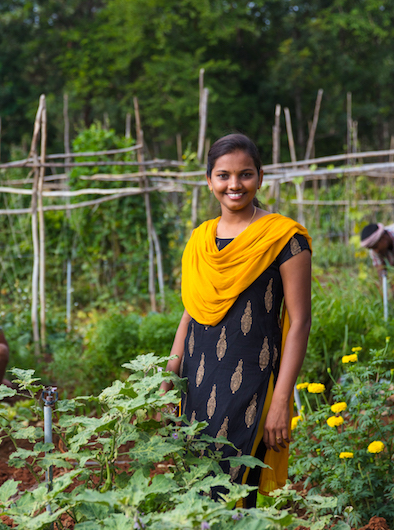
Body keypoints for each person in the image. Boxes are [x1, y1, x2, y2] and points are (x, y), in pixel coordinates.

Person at [160, 133, 312, 507]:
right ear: (209, 180)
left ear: (260, 177)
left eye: (245, 174)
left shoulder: (285, 239)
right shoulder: (199, 241)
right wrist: (168, 377)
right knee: (195, 492)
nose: (234, 185)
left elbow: (300, 322)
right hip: (196, 382)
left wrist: (282, 401)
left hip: (251, 383)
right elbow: (191, 312)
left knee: (235, 495)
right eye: (223, 175)